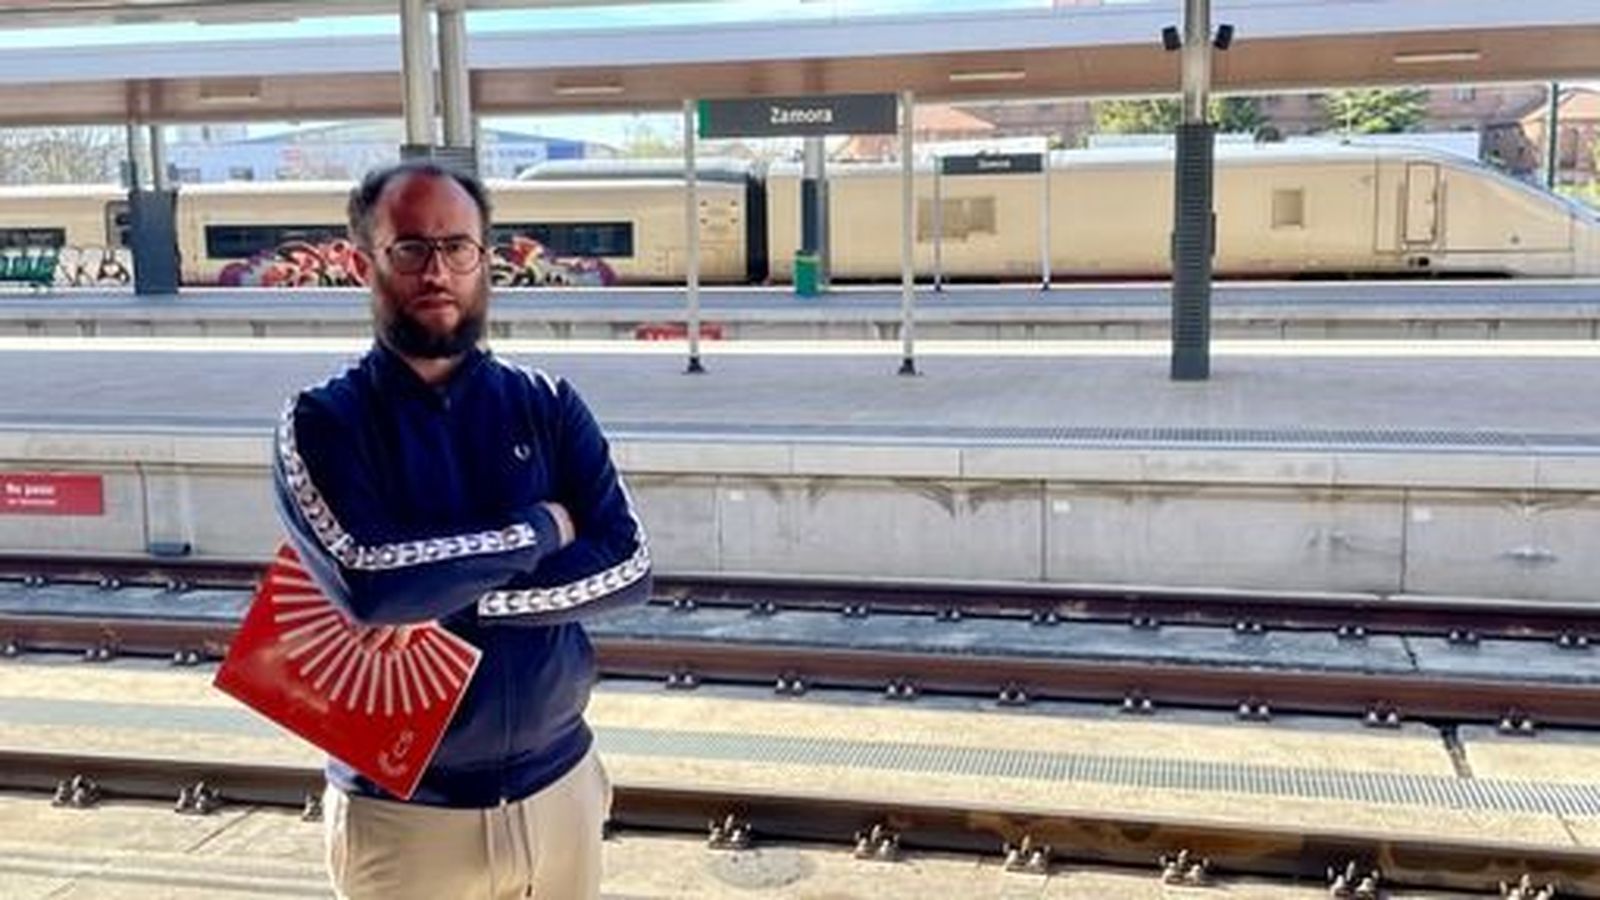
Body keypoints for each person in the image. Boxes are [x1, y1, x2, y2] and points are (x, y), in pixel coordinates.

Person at [270, 159, 651, 900]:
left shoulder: (547, 404)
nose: (436, 269)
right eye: (409, 247)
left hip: (560, 794)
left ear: (486, 258)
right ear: (361, 263)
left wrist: (450, 599)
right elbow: (376, 586)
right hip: (404, 821)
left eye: (458, 247)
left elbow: (628, 565)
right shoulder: (322, 422)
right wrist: (543, 527)